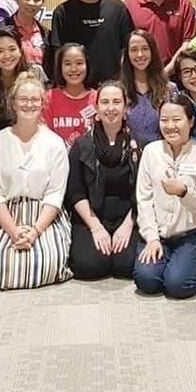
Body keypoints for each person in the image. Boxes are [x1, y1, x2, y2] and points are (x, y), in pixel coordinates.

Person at [0, 72, 73, 291]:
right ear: (13, 102)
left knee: (45, 263)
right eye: (23, 99)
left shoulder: (55, 143)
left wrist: (35, 231)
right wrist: (13, 230)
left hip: (44, 215)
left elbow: (55, 194)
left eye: (34, 100)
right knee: (1, 265)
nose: (29, 104)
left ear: (42, 103)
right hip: (7, 215)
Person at [133, 94, 196, 299]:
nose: (170, 126)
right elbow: (143, 200)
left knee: (178, 286)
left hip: (194, 234)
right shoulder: (152, 151)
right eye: (164, 120)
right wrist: (152, 238)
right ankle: (172, 260)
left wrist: (184, 192)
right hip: (159, 234)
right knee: (147, 280)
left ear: (190, 121)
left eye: (176, 120)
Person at [66, 81, 142, 280]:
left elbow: (144, 192)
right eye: (105, 102)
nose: (111, 108)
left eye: (117, 102)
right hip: (90, 216)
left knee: (126, 265)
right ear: (97, 108)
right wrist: (96, 227)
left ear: (126, 108)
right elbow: (76, 192)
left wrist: (127, 226)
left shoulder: (139, 145)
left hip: (128, 216)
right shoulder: (81, 145)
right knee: (91, 266)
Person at [47, 0, 133, 85]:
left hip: (113, 89)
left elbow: (126, 50)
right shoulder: (62, 12)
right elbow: (59, 55)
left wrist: (123, 82)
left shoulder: (117, 8)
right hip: (76, 89)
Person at [122, 29, 174, 147]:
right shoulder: (120, 91)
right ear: (127, 54)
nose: (140, 54)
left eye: (145, 49)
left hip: (162, 154)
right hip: (129, 156)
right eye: (134, 50)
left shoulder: (169, 90)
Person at [42, 43, 98, 148]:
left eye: (79, 63)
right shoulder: (50, 97)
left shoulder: (98, 98)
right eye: (67, 64)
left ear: (87, 65)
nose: (73, 69)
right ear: (60, 67)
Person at [2, 0, 48, 72]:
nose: (31, 3)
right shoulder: (2, 29)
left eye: (37, 0)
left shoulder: (46, 34)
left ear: (42, 2)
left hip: (40, 85)